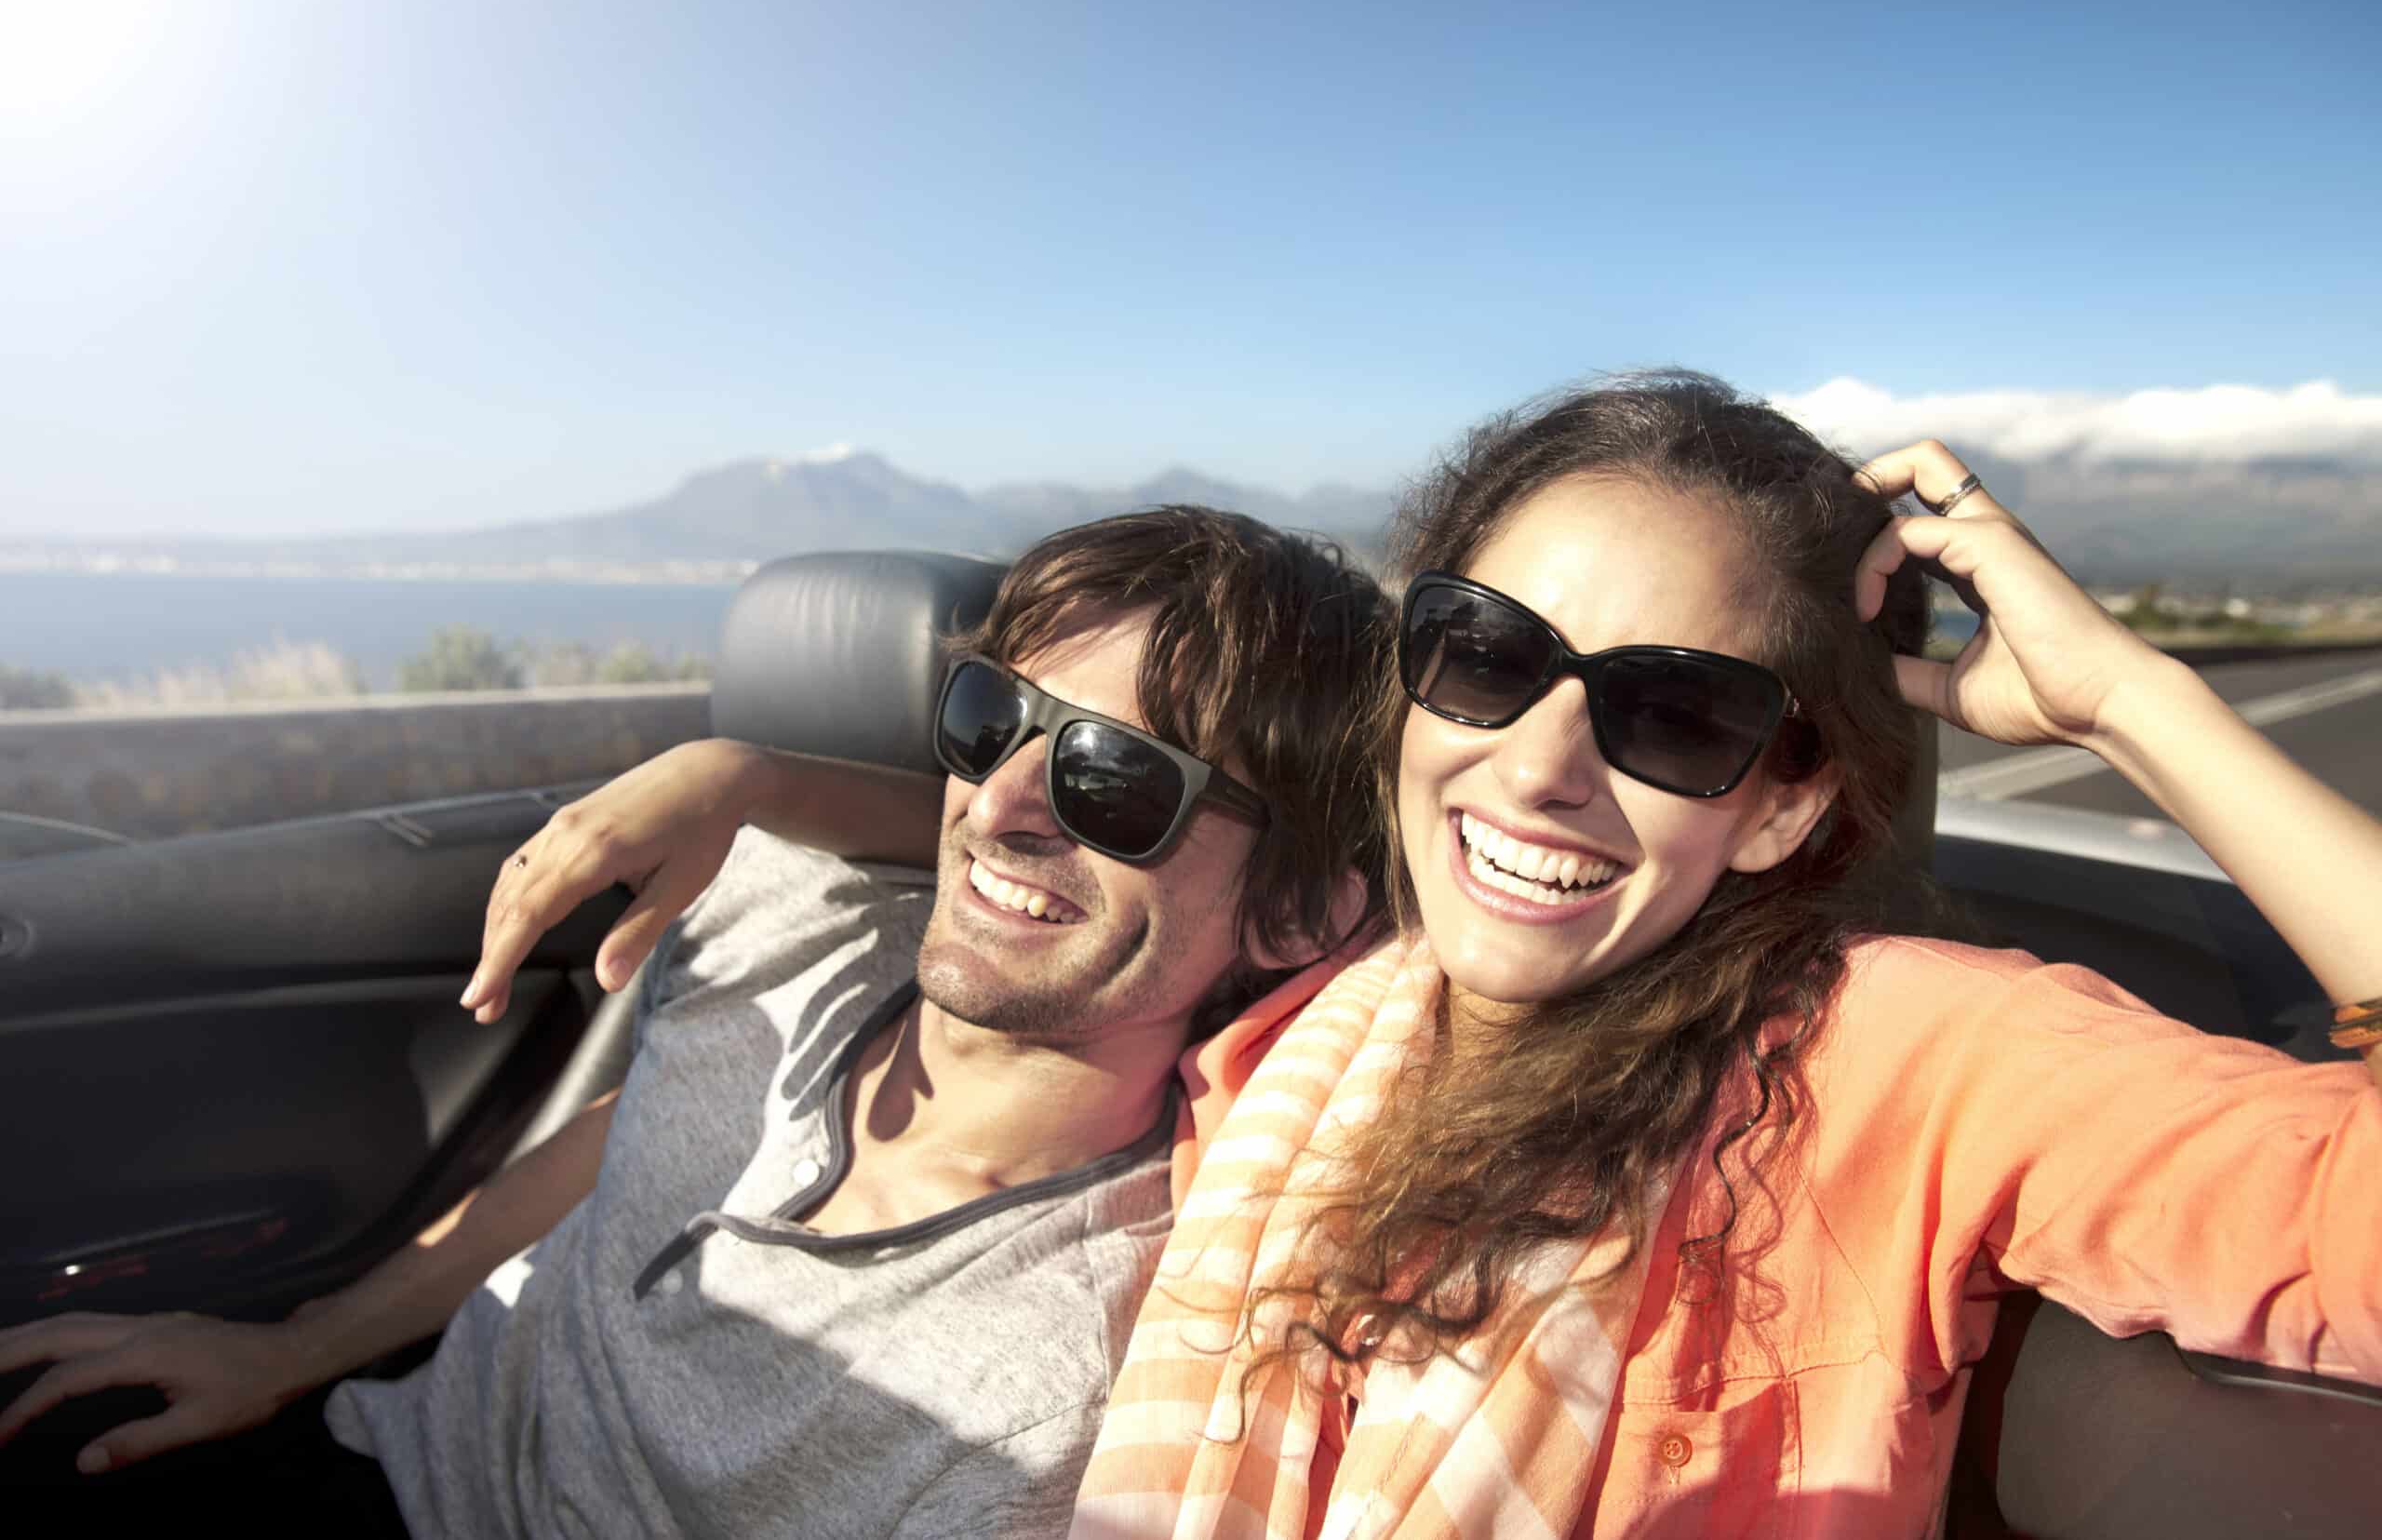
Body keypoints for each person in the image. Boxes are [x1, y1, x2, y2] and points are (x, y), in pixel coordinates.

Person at [420, 371, 2382, 1535]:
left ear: (1777, 803)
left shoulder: (1903, 1055)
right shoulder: (1319, 1020)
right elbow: (1089, 830)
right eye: (1486, 653)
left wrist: (2131, 701)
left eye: (1670, 714)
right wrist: (749, 766)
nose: (1535, 764)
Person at [0, 506, 1393, 1537]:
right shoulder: (790, 911)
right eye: (990, 720)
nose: (1000, 805)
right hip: (381, 1440)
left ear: (1293, 920)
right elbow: (616, 1145)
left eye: (1114, 781)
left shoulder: (1036, 1409)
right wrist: (295, 1347)